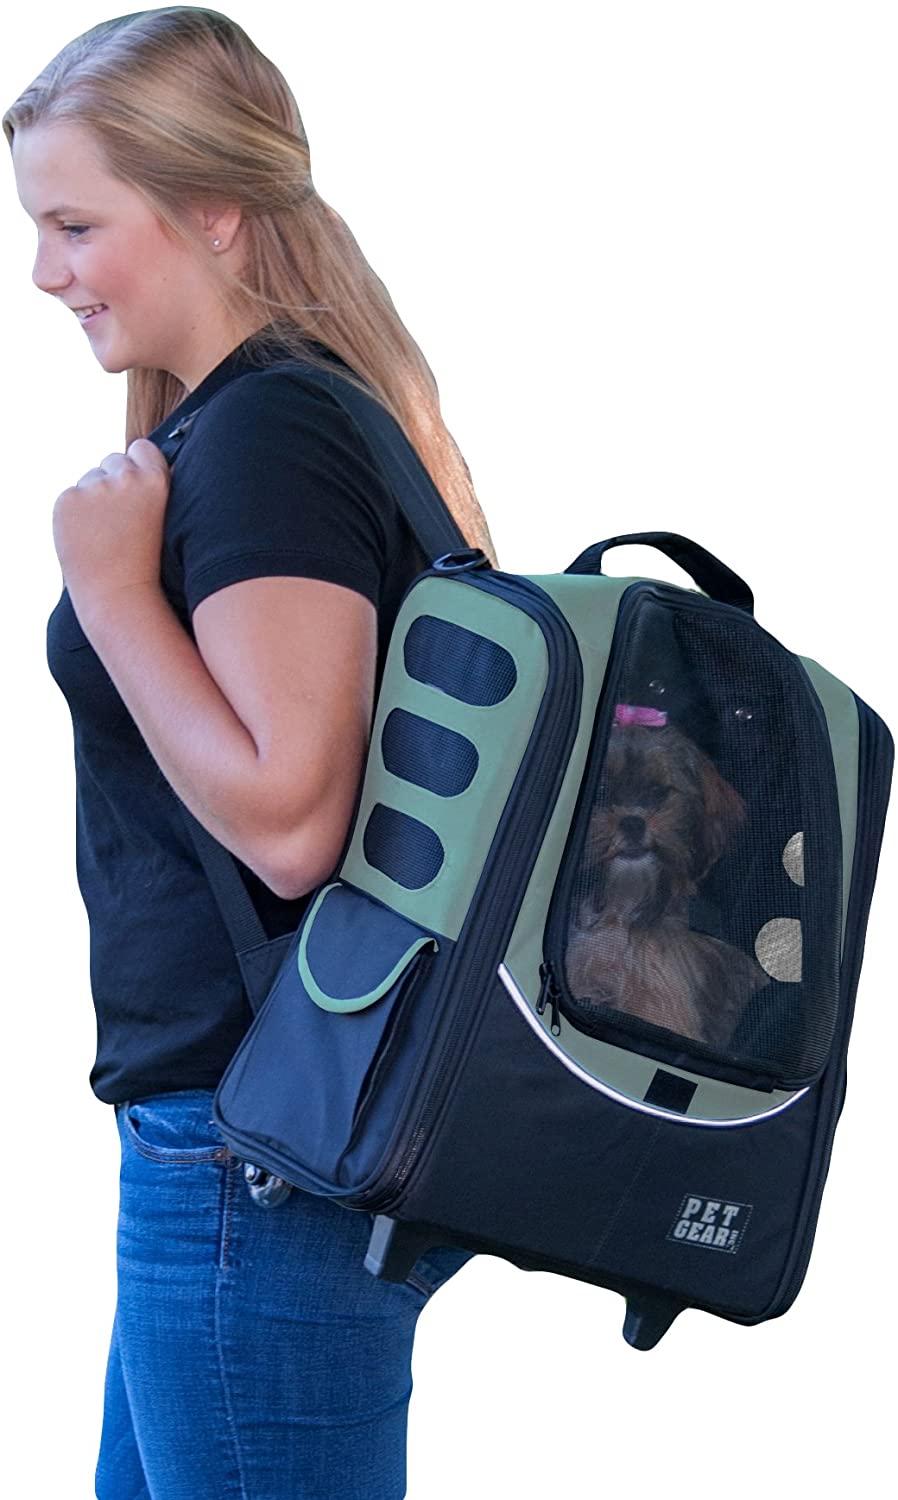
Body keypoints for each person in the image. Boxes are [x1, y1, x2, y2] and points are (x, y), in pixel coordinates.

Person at [5, 8, 496, 1497]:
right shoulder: (275, 420)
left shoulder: (270, 434)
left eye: (77, 226)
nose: (45, 273)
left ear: (212, 209)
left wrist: (109, 591)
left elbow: (290, 822)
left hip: (254, 1155)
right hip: (247, 1141)